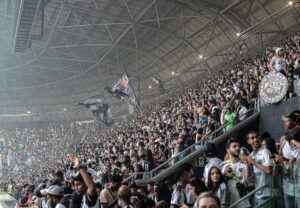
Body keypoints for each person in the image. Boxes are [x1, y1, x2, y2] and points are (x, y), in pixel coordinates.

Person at [276, 113, 299, 208]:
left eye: (287, 120)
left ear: (294, 121)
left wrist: (293, 141)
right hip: (288, 178)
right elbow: (280, 155)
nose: (285, 123)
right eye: (284, 121)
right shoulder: (284, 138)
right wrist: (280, 159)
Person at [220, 138, 251, 208]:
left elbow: (248, 181)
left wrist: (247, 165)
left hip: (243, 204)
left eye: (239, 146)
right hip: (227, 203)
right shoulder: (222, 165)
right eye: (234, 146)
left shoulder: (244, 164)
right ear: (228, 150)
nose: (238, 148)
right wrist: (223, 173)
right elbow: (217, 183)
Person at [246, 131, 273, 208]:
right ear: (248, 141)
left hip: (267, 194)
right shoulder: (250, 155)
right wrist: (247, 164)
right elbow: (249, 180)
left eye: (257, 137)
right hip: (257, 194)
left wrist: (254, 162)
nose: (256, 139)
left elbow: (269, 170)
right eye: (252, 138)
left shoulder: (265, 151)